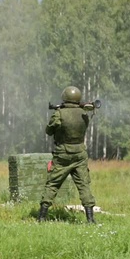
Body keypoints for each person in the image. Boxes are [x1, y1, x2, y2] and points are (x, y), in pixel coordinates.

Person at [38, 86, 97, 224]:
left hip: (63, 154)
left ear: (64, 97)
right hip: (80, 154)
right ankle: (90, 219)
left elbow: (49, 131)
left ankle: (42, 217)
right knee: (84, 185)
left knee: (53, 184)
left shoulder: (59, 114)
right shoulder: (84, 113)